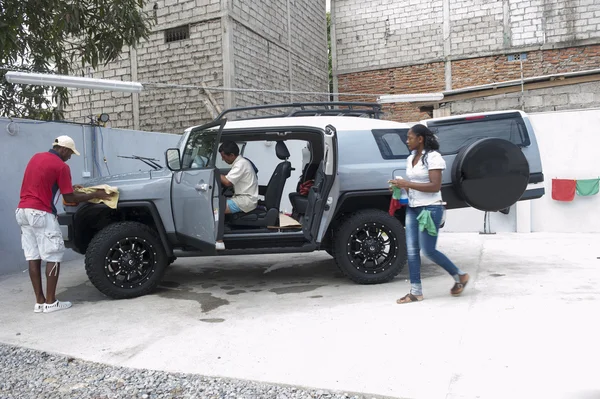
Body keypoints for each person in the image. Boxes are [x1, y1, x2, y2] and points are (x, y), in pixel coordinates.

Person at [16, 135, 114, 313]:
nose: (70, 157)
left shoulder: (36, 157)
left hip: (23, 211)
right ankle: (52, 302)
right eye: (70, 153)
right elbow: (69, 197)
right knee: (53, 255)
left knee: (33, 256)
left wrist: (68, 186)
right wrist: (96, 195)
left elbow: (46, 183)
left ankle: (40, 302)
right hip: (41, 212)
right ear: (64, 149)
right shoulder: (61, 166)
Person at [389, 124, 469, 304]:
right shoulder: (410, 158)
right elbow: (412, 185)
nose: (406, 141)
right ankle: (416, 292)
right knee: (411, 251)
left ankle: (460, 276)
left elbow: (435, 186)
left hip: (430, 209)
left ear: (420, 139)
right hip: (413, 207)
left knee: (428, 250)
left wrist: (407, 184)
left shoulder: (433, 157)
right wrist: (399, 187)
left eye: (409, 137)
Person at [218, 140, 259, 215]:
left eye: (224, 157)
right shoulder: (241, 162)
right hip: (242, 199)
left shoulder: (241, 164)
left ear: (232, 155)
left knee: (215, 208)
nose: (223, 159)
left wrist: (214, 173)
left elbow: (227, 182)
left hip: (245, 201)